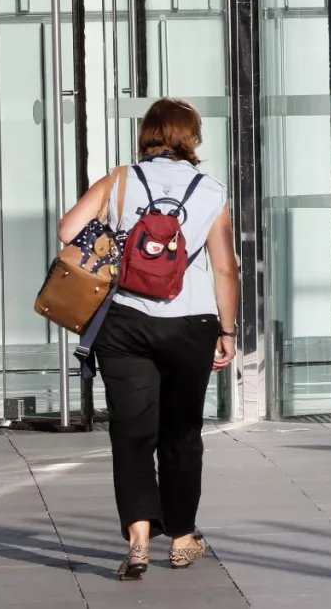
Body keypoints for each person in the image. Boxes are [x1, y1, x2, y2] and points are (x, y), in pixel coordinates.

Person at [58, 98, 239, 578]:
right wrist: (227, 331)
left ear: (147, 134)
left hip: (124, 322)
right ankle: (181, 537)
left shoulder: (120, 180)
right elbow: (225, 268)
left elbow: (67, 230)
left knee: (132, 433)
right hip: (191, 323)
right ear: (191, 137)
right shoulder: (210, 191)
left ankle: (139, 538)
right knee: (181, 433)